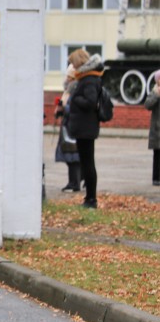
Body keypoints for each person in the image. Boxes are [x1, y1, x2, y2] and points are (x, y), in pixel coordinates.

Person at [67, 48, 105, 209]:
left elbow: (90, 102)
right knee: (86, 163)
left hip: (86, 128)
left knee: (88, 164)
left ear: (79, 62)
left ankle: (91, 199)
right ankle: (89, 198)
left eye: (72, 63)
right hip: (85, 127)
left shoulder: (89, 79)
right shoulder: (87, 77)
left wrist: (75, 98)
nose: (72, 66)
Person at [55, 65, 83, 192]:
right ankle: (76, 180)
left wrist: (63, 109)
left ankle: (75, 182)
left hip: (72, 127)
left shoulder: (75, 89)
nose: (66, 79)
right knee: (70, 156)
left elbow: (74, 108)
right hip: (67, 126)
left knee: (73, 157)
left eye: (68, 76)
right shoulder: (68, 90)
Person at [146, 71, 160, 186]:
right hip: (157, 129)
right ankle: (156, 178)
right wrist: (156, 94)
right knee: (157, 155)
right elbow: (148, 105)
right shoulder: (155, 92)